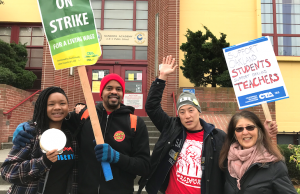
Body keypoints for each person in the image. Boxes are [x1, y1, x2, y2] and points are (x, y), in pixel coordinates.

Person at [138, 55, 278, 194]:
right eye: (182, 112)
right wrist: (162, 77)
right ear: (178, 115)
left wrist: (262, 134)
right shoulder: (171, 128)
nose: (187, 116)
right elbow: (151, 107)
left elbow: (243, 147)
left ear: (199, 111)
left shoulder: (217, 137)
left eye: (191, 110)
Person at [13, 73, 151, 194]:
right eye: (109, 88)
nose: (114, 92)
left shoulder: (135, 123)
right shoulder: (84, 116)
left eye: (118, 89)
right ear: (101, 93)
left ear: (123, 94)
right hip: (84, 190)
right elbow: (55, 118)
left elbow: (144, 167)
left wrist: (117, 157)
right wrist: (26, 127)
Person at [0, 87, 78, 194]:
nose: (57, 107)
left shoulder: (71, 135)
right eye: (51, 104)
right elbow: (7, 171)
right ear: (42, 107)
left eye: (62, 103)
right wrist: (43, 162)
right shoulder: (30, 133)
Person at [219, 110, 297, 194]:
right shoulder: (227, 162)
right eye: (239, 129)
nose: (245, 132)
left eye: (250, 127)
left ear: (259, 130)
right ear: (234, 134)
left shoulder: (274, 166)